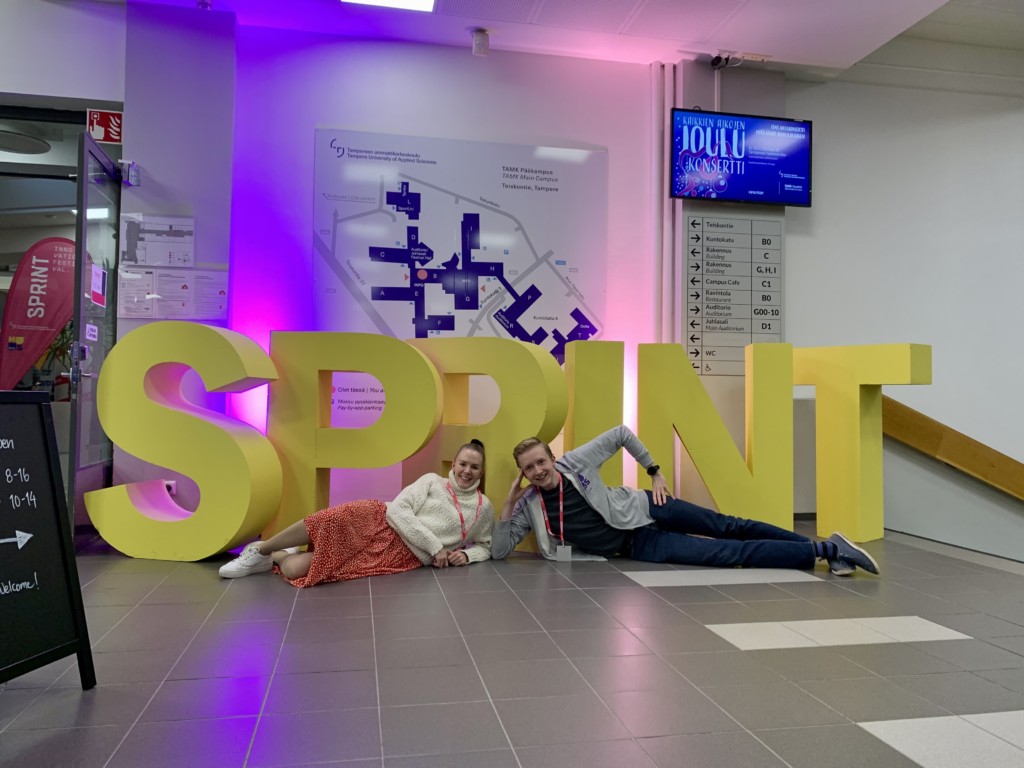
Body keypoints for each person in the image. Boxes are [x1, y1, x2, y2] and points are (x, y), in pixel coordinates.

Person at [493, 426, 879, 576]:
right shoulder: (531, 506)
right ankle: (826, 549)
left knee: (730, 526)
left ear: (551, 456)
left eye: (541, 461)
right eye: (529, 468)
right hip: (639, 543)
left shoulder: (574, 462)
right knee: (727, 554)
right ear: (523, 473)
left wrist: (655, 471)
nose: (538, 471)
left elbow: (621, 434)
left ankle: (829, 548)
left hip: (648, 507)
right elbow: (498, 552)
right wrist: (509, 504)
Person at [219, 439, 495, 587]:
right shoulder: (432, 481)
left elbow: (485, 545)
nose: (467, 472)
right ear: (454, 463)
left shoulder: (483, 507)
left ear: (481, 472)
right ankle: (261, 550)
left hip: (399, 555)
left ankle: (278, 556)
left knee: (300, 570)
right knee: (326, 520)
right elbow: (398, 510)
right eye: (463, 464)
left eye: (474, 467)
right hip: (379, 519)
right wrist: (435, 547)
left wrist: (468, 555)